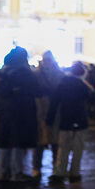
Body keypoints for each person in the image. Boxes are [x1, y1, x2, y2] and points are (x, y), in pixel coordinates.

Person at [0, 47, 40, 183]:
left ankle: (5, 171)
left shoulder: (3, 73)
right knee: (18, 143)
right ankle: (17, 171)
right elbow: (37, 91)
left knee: (6, 143)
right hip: (22, 112)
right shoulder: (26, 73)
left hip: (5, 112)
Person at [46, 62, 93, 183]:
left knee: (63, 148)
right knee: (78, 149)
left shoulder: (62, 84)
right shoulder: (82, 86)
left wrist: (49, 120)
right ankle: (75, 173)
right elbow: (93, 97)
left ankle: (60, 172)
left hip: (66, 120)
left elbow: (54, 103)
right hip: (80, 120)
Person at [33, 50, 63, 179]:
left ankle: (56, 168)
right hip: (40, 110)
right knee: (39, 141)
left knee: (55, 142)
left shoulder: (58, 74)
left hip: (55, 110)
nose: (47, 63)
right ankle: (36, 168)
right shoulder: (36, 75)